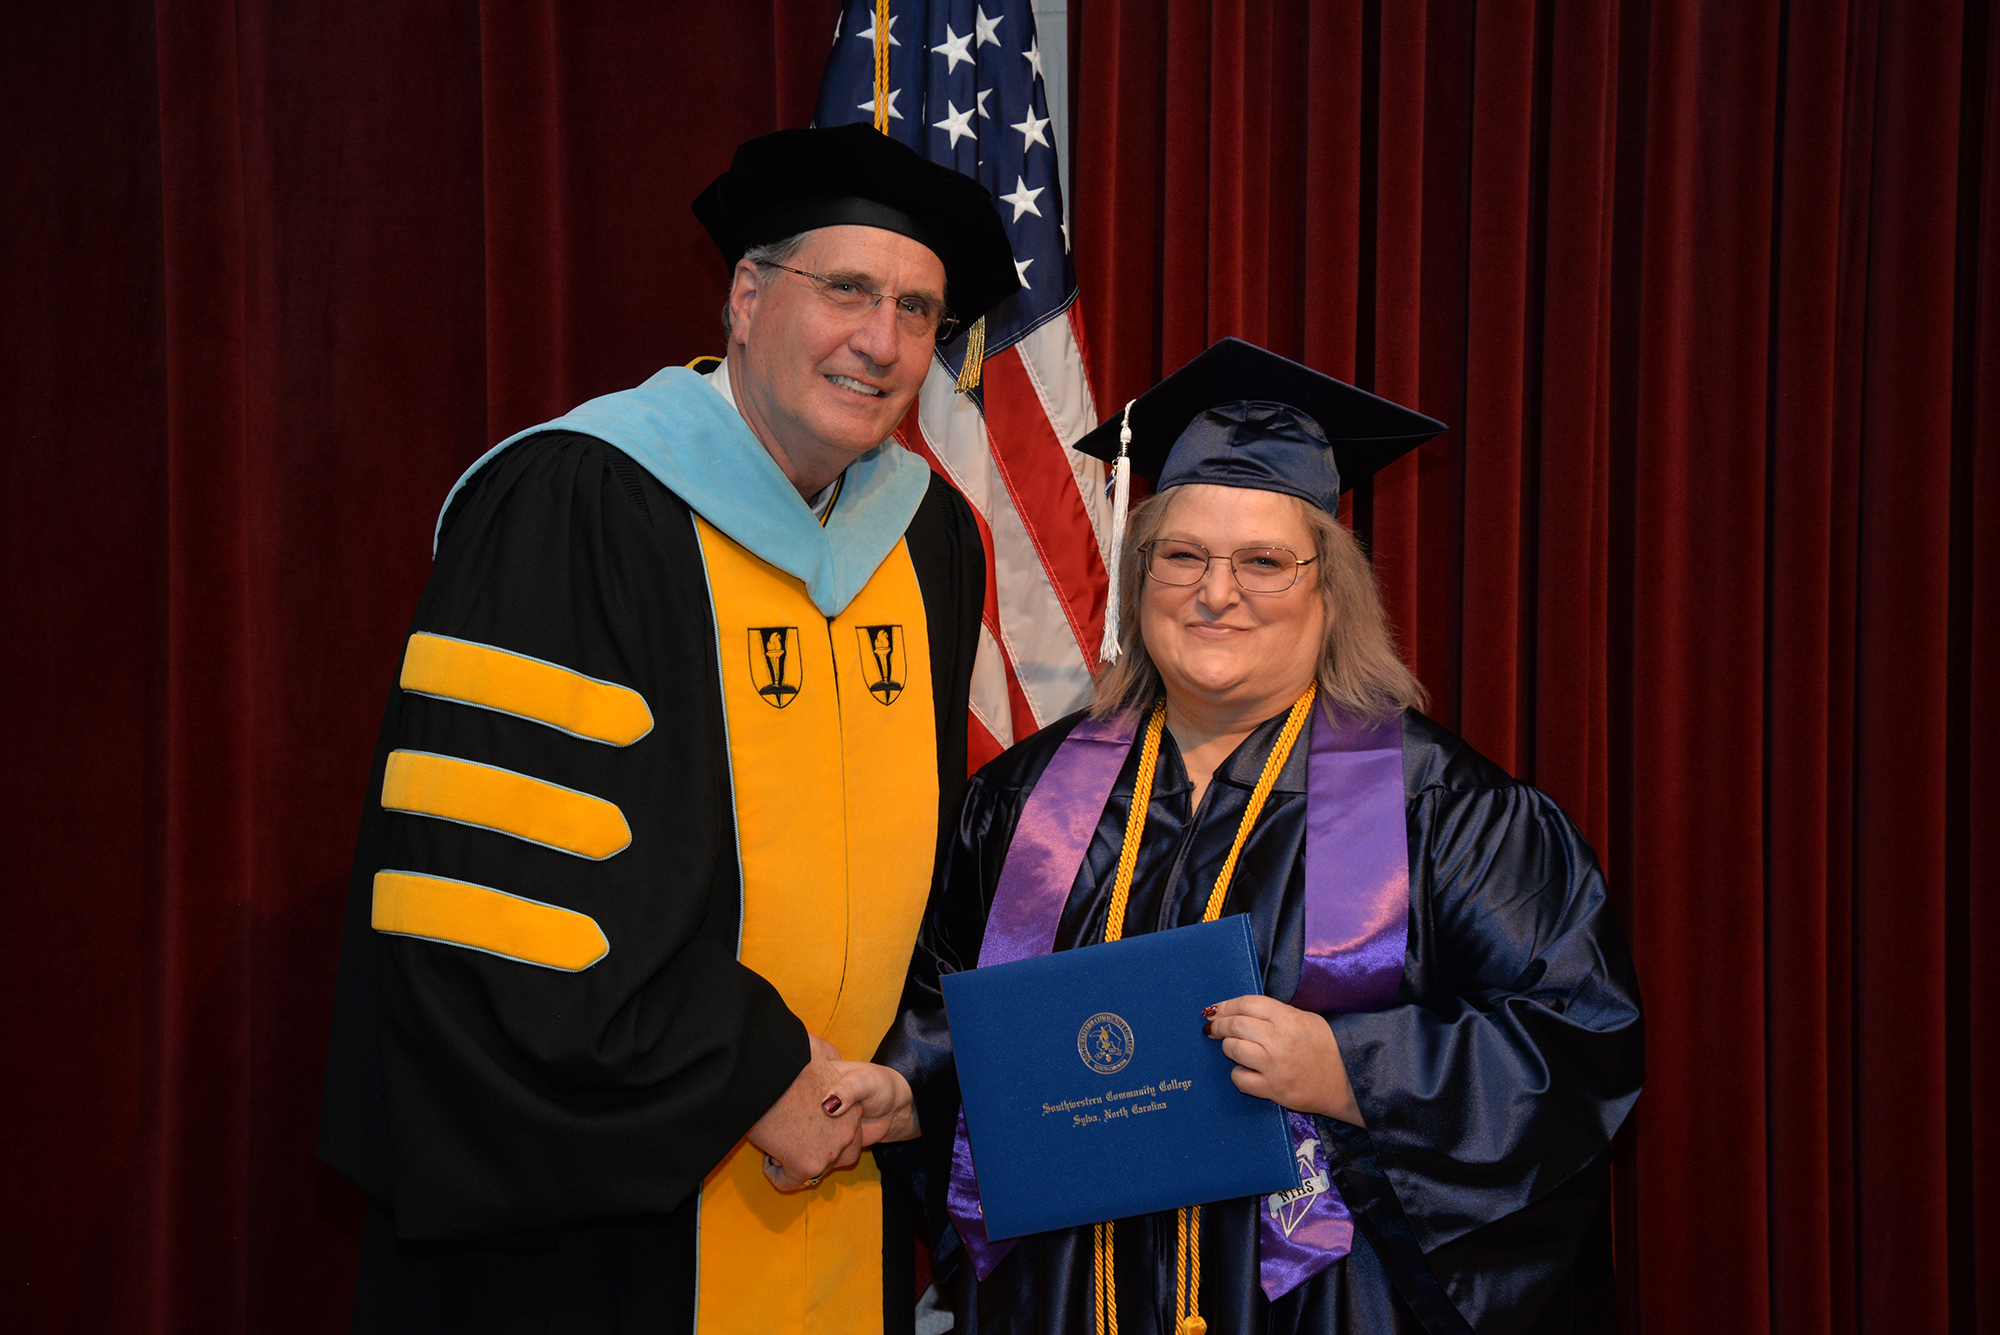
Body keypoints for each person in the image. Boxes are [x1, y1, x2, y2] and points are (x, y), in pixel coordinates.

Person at [317, 123, 1017, 1335]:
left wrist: (905, 1074)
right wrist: (751, 1079)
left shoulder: (930, 541)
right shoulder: (575, 504)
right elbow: (504, 888)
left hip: (842, 1161)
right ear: (746, 297)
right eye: (844, 289)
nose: (881, 341)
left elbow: (924, 863)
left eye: (917, 310)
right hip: (615, 1215)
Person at [825, 338, 1645, 1334]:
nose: (1216, 594)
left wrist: (1357, 1070)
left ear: (1331, 590)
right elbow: (956, 1015)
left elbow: (1575, 1043)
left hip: (1322, 1307)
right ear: (1137, 576)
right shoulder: (1020, 805)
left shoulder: (1445, 813)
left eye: (1263, 561)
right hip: (1067, 1299)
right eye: (1181, 556)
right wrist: (901, 1093)